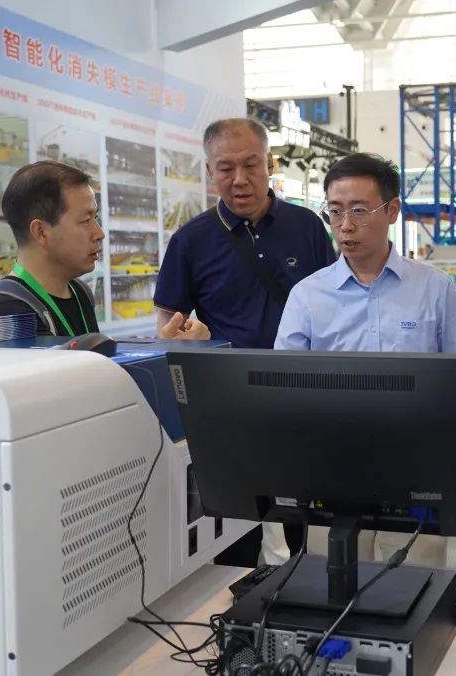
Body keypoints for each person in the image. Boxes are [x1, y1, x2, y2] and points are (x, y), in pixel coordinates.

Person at [275, 152, 456, 567]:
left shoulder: (434, 289)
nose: (345, 225)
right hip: (330, 466)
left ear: (392, 211)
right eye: (335, 211)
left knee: (415, 579)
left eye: (359, 210)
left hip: (416, 466)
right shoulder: (308, 295)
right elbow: (283, 387)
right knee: (332, 575)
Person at [154, 118, 336, 566]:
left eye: (251, 165)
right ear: (209, 171)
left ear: (269, 163)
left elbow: (334, 308)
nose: (239, 179)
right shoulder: (190, 241)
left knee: (308, 523)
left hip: (304, 402)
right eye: (225, 168)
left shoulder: (307, 227)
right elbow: (167, 330)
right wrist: (193, 340)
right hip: (231, 409)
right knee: (237, 530)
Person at [0, 160, 104, 336]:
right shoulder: (6, 310)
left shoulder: (80, 293)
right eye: (85, 221)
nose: (99, 233)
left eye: (96, 218)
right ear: (41, 232)